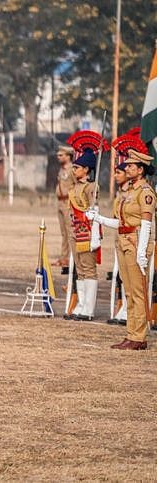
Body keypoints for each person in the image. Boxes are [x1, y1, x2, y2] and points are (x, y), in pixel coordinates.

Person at [86, 147, 153, 350]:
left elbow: (146, 223)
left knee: (138, 292)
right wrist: (98, 218)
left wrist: (142, 252)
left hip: (136, 242)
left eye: (131, 165)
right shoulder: (129, 192)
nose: (128, 167)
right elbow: (121, 223)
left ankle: (139, 337)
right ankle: (131, 334)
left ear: (140, 170)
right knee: (129, 292)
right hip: (124, 240)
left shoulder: (146, 192)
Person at [65, 137, 101, 321]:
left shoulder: (91, 187)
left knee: (88, 268)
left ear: (86, 169)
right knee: (79, 268)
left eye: (77, 167)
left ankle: (89, 308)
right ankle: (81, 303)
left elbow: (94, 211)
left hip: (86, 232)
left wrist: (95, 236)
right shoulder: (75, 186)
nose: (74, 170)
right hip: (74, 231)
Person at [55, 145, 75, 274]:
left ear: (68, 156)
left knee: (69, 231)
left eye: (61, 155)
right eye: (58, 155)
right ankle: (63, 257)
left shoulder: (73, 169)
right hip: (60, 201)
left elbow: (75, 185)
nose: (59, 157)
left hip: (68, 202)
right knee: (63, 232)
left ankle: (70, 258)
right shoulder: (61, 170)